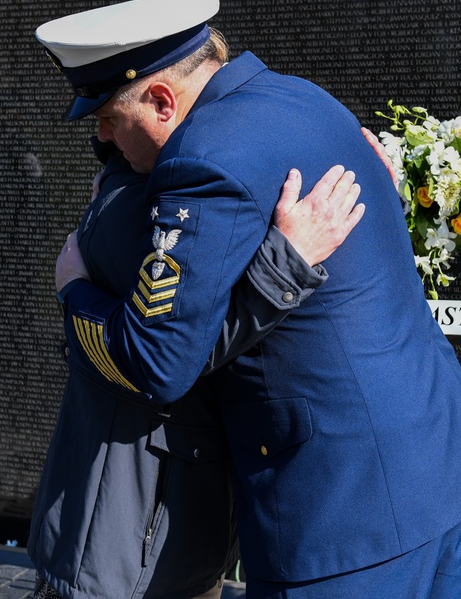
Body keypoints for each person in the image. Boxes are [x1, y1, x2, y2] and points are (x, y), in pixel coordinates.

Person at [38, 0, 461, 597]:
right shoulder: (303, 98)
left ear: (160, 100)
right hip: (434, 469)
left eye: (107, 118)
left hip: (342, 513)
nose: (103, 139)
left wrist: (74, 293)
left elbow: (157, 362)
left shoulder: (203, 158)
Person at [29, 136, 364, 599]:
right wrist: (288, 263)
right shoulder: (139, 201)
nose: (106, 135)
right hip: (122, 539)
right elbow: (164, 355)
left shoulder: (150, 190)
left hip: (161, 522)